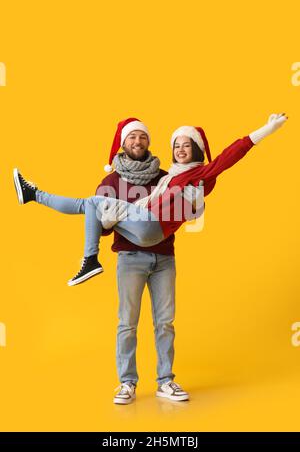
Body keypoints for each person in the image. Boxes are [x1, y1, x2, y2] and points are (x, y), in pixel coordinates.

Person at [13, 112, 288, 403]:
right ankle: (127, 383)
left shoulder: (188, 175)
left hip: (159, 248)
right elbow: (106, 221)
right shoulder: (144, 178)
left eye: (186, 145)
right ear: (123, 143)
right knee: (127, 321)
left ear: (195, 149)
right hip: (132, 252)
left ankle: (164, 380)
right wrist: (109, 223)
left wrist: (265, 130)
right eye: (177, 145)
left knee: (164, 321)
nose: (181, 149)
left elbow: (228, 158)